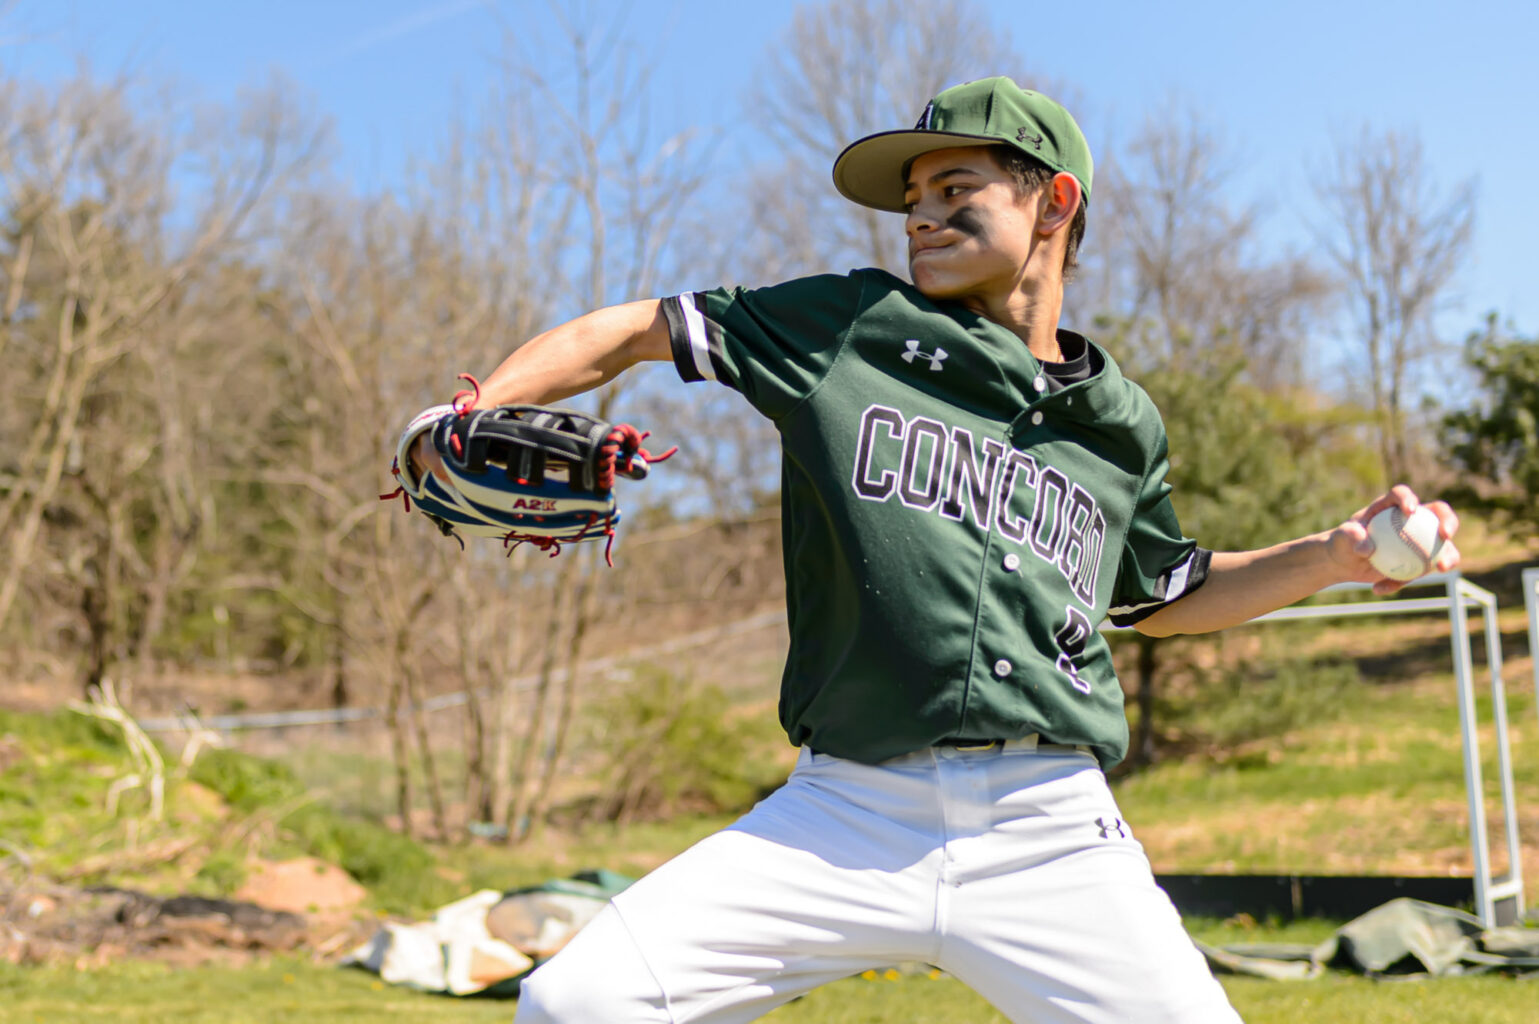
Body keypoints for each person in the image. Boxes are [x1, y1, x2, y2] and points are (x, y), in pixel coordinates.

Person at [414, 76, 1461, 1023]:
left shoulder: (1121, 422)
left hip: (1048, 828)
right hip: (847, 807)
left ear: (1053, 202)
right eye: (910, 196)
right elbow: (637, 326)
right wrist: (465, 413)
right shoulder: (850, 326)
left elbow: (1165, 592)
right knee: (580, 1001)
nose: (920, 212)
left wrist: (1329, 555)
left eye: (955, 185)